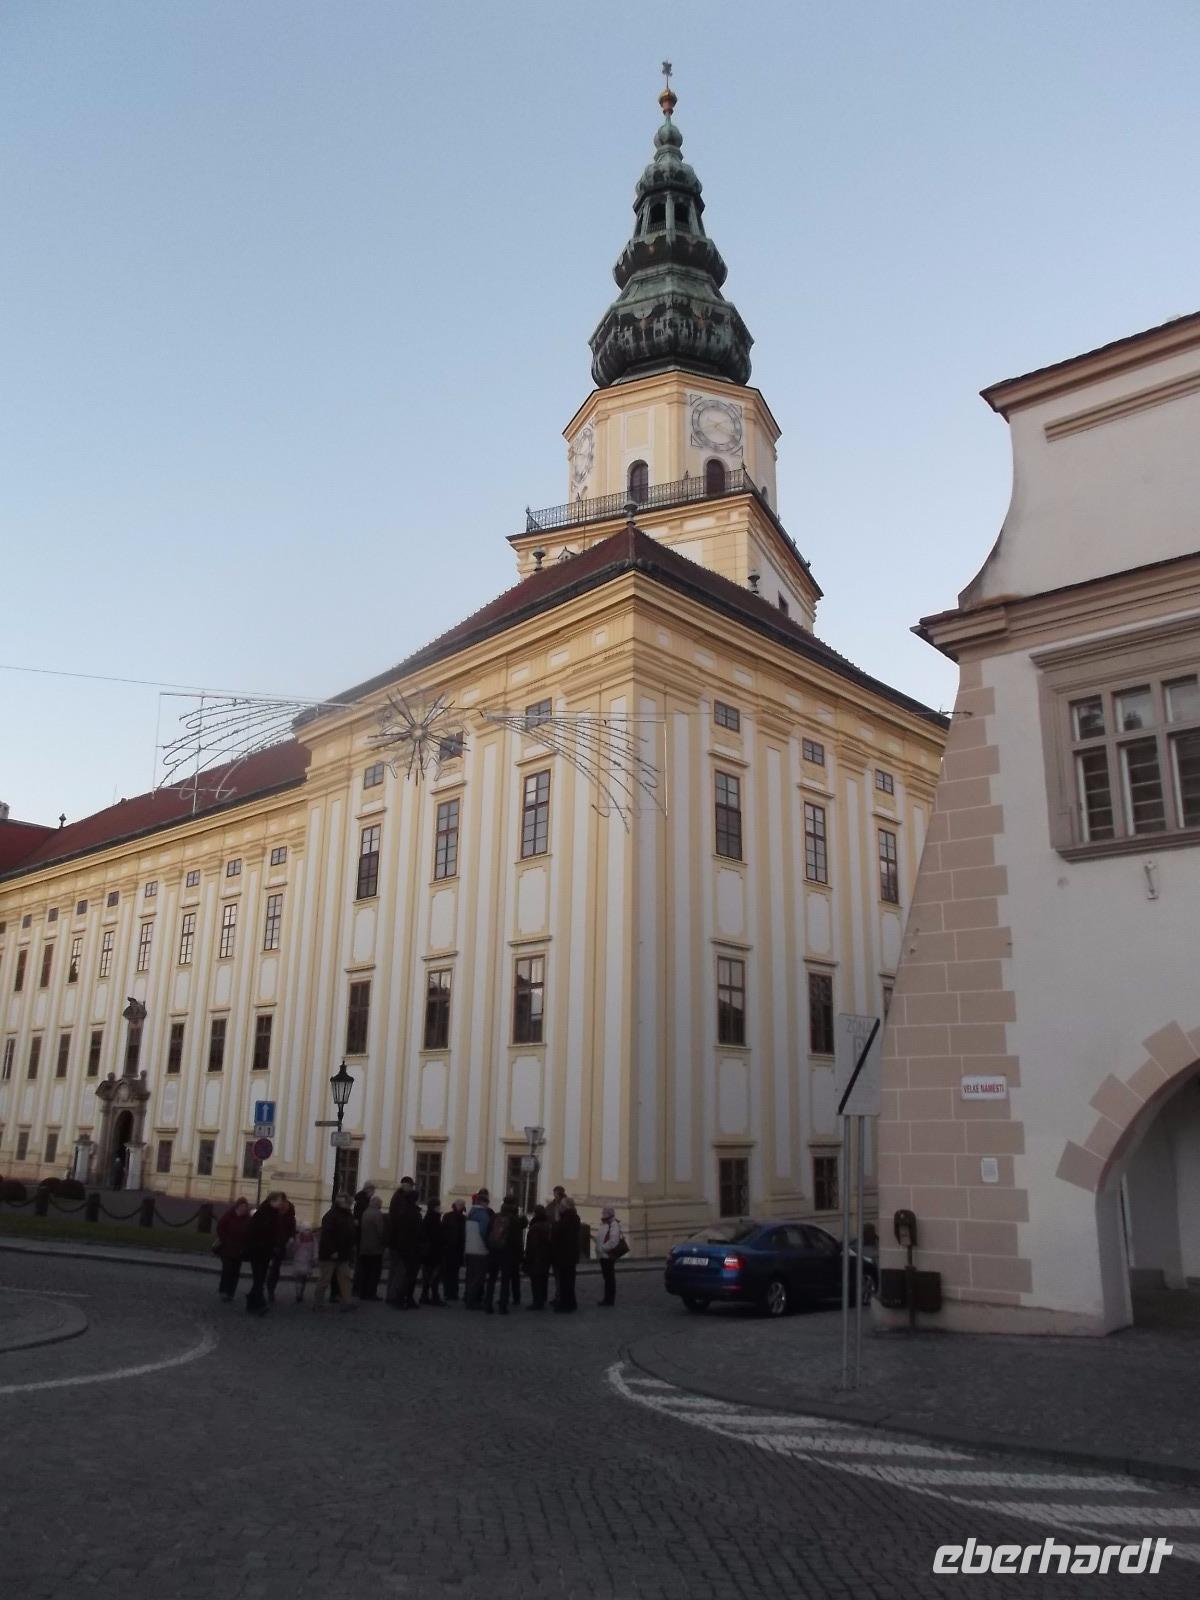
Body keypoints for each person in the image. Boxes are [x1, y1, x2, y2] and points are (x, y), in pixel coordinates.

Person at [245, 1191, 288, 1316]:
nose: (282, 1203)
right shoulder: (262, 1213)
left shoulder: (275, 1214)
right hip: (257, 1252)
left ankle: (251, 1301)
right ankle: (260, 1304)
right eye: (280, 1200)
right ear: (272, 1200)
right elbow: (253, 1233)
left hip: (266, 1252)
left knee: (260, 1278)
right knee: (259, 1279)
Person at [314, 1193, 357, 1310]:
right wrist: (332, 1250)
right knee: (325, 1280)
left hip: (343, 1253)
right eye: (349, 1203)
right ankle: (318, 1303)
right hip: (329, 1254)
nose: (350, 1205)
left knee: (345, 1278)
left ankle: (347, 1302)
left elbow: (350, 1233)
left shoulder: (348, 1215)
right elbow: (327, 1236)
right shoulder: (330, 1216)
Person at [386, 1179, 423, 1309]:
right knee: (400, 1272)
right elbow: (406, 1229)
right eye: (410, 1186)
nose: (411, 1188)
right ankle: (395, 1297)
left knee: (398, 1271)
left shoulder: (400, 1201)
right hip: (402, 1245)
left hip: (398, 1242)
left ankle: (393, 1296)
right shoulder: (404, 1205)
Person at [463, 1189, 493, 1310]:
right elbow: (483, 1232)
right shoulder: (483, 1215)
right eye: (487, 1203)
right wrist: (488, 1245)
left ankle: (468, 1299)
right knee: (478, 1277)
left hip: (469, 1249)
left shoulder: (470, 1213)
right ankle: (472, 1301)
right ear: (483, 1203)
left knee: (470, 1276)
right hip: (480, 1250)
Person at [215, 1197, 250, 1302]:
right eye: (242, 1206)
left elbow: (250, 1232)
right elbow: (220, 1227)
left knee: (235, 1272)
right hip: (227, 1248)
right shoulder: (229, 1215)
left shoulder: (247, 1219)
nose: (244, 1209)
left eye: (245, 1207)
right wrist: (225, 1239)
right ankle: (223, 1291)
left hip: (239, 1250)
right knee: (227, 1270)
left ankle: (231, 1293)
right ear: (238, 1206)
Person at [494, 1194, 524, 1314]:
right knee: (514, 1276)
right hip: (513, 1251)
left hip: (501, 1248)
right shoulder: (516, 1218)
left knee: (504, 1278)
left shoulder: (500, 1215)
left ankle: (503, 1299)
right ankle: (515, 1298)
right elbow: (523, 1226)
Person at [353, 1193, 387, 1300]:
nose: (381, 1205)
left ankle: (363, 1293)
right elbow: (381, 1231)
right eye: (380, 1204)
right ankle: (371, 1293)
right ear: (377, 1204)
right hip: (375, 1248)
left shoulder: (365, 1213)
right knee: (374, 1272)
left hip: (364, 1247)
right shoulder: (377, 1214)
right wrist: (384, 1243)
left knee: (365, 1272)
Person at [551, 1195, 581, 1313]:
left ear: (567, 1207)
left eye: (562, 1206)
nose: (560, 1207)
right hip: (571, 1254)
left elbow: (557, 1234)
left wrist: (557, 1220)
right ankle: (571, 1303)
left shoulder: (566, 1219)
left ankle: (565, 1305)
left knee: (564, 1281)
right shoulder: (574, 1217)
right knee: (569, 1280)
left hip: (564, 1254)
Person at [266, 1195, 296, 1304]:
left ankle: (271, 1289)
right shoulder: (272, 1212)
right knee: (267, 1267)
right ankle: (264, 1288)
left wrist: (291, 1237)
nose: (283, 1205)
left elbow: (292, 1227)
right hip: (269, 1243)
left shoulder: (289, 1213)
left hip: (281, 1244)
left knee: (275, 1268)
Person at [523, 1204, 552, 1310]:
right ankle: (543, 1299)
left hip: (536, 1257)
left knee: (536, 1281)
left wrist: (527, 1256)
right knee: (543, 1279)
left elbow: (532, 1244)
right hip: (546, 1256)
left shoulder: (535, 1226)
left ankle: (537, 1302)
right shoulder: (548, 1225)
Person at [595, 1205, 624, 1306]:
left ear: (610, 1213)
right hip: (603, 1255)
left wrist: (602, 1248)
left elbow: (613, 1241)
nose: (603, 1214)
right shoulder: (605, 1223)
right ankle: (607, 1298)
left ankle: (609, 1300)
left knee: (609, 1278)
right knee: (607, 1278)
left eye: (604, 1212)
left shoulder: (614, 1224)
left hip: (608, 1255)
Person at [418, 1196, 444, 1305]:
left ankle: (425, 1296)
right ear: (435, 1207)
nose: (440, 1208)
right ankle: (433, 1297)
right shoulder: (434, 1219)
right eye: (438, 1206)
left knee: (427, 1276)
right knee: (434, 1276)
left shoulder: (427, 1218)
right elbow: (437, 1236)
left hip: (427, 1253)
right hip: (434, 1252)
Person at [441, 1199, 466, 1302]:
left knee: (453, 1272)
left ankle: (452, 1292)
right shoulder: (449, 1216)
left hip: (455, 1249)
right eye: (460, 1205)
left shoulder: (463, 1218)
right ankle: (449, 1292)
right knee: (450, 1272)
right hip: (450, 1248)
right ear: (456, 1205)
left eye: (462, 1205)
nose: (461, 1206)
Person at [292, 1222, 316, 1303]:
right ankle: (299, 1293)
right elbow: (315, 1250)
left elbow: (293, 1249)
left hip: (302, 1261)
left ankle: (299, 1293)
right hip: (303, 1261)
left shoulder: (299, 1238)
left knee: (301, 1279)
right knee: (301, 1279)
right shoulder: (311, 1238)